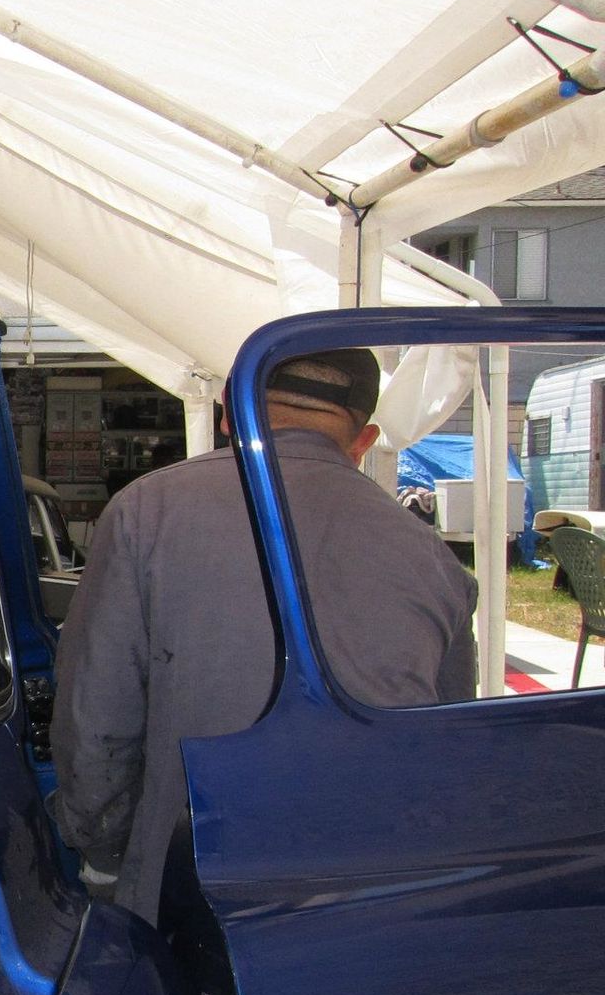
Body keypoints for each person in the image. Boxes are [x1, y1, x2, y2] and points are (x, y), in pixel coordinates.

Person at [52, 349, 477, 924]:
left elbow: (98, 715)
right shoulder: (435, 562)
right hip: (370, 896)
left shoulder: (144, 513)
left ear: (230, 414)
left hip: (191, 887)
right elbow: (449, 751)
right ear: (365, 438)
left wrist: (103, 852)